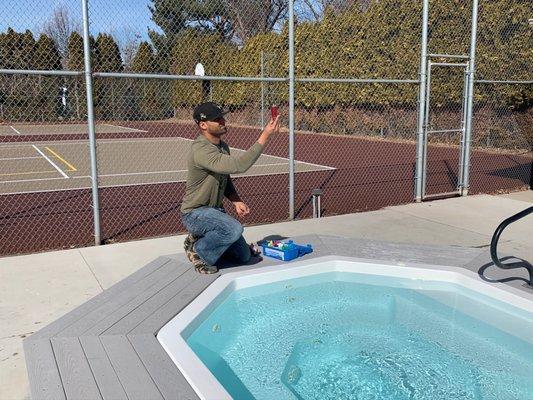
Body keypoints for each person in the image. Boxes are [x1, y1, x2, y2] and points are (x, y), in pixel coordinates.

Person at [181, 102, 280, 274]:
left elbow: (224, 178)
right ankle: (198, 250)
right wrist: (265, 136)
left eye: (222, 117)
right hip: (195, 214)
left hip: (215, 212)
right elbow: (239, 165)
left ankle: (205, 239)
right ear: (203, 125)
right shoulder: (201, 150)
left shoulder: (222, 147)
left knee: (244, 256)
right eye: (217, 119)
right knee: (233, 229)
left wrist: (236, 200)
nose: (223, 121)